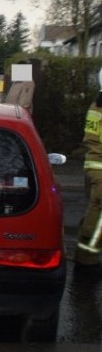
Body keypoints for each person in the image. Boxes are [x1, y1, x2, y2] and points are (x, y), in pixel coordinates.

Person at [75, 67, 102, 279]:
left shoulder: (96, 105)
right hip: (100, 169)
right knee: (97, 218)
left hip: (92, 166)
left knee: (94, 211)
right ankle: (86, 262)